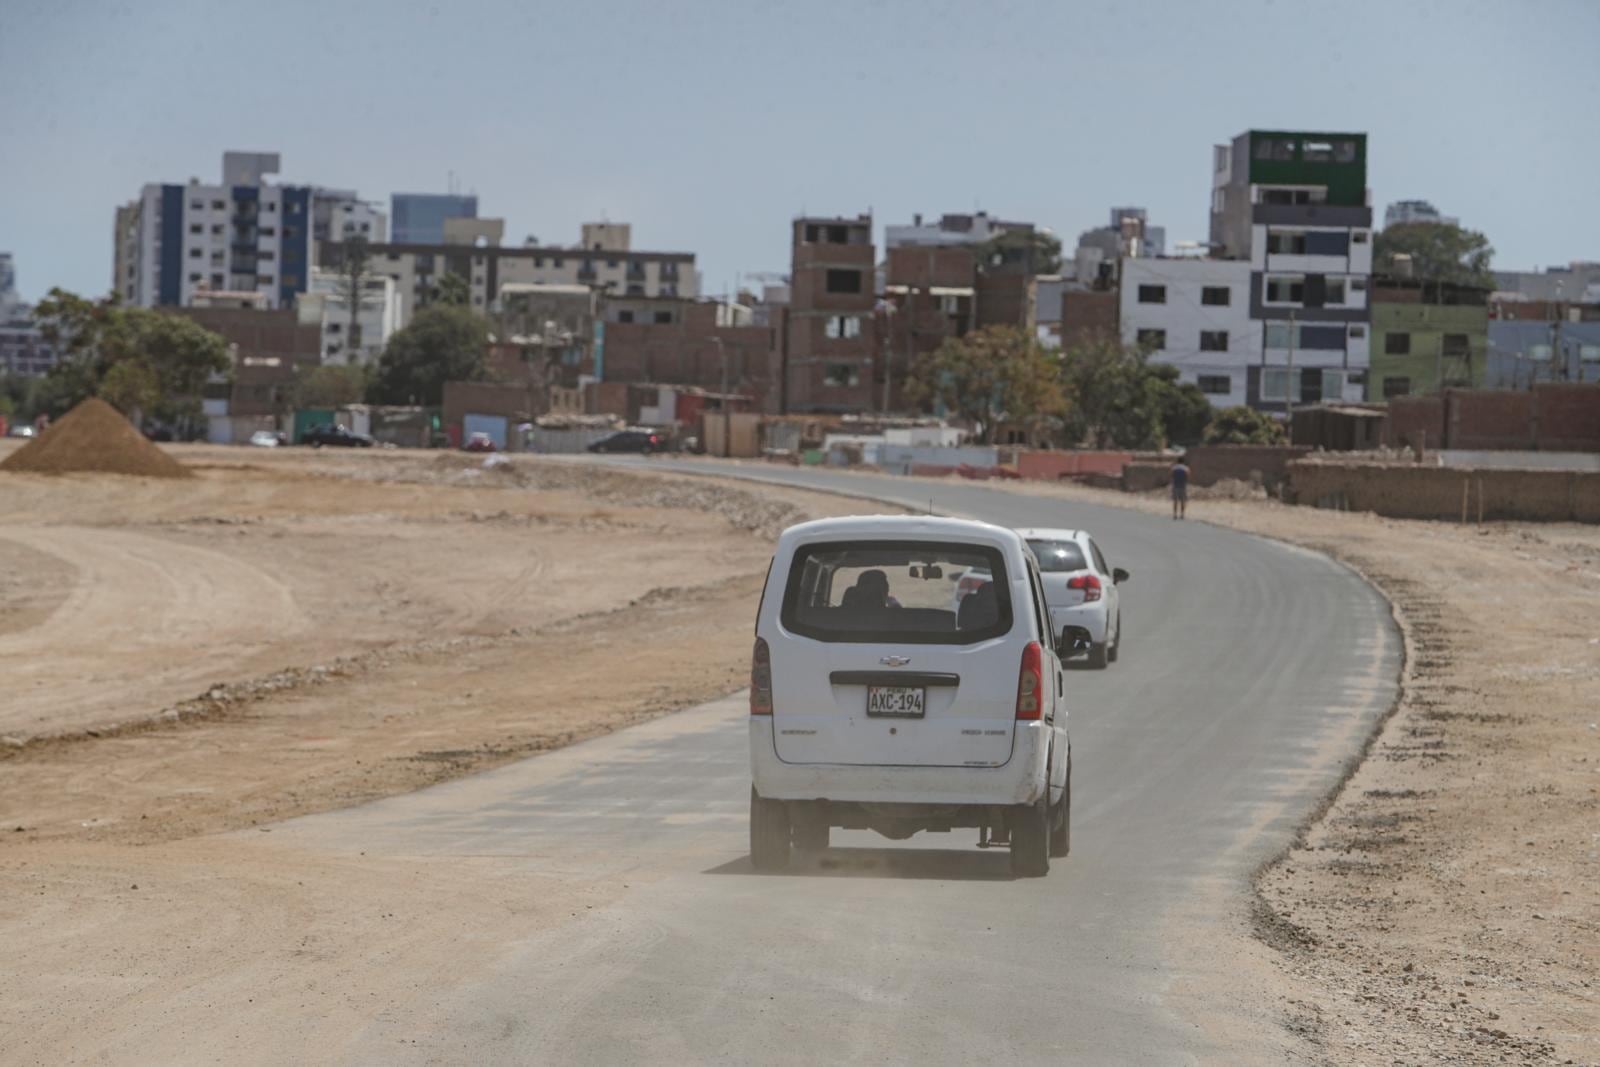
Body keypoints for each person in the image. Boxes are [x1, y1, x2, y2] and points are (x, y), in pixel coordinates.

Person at [1170, 454, 1190, 520]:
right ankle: (1182, 514)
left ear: (1177, 461)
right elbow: (1188, 476)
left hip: (1175, 486)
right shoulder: (1186, 468)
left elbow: (1171, 475)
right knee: (1183, 501)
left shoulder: (1174, 468)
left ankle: (1175, 514)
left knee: (1175, 501)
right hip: (1183, 486)